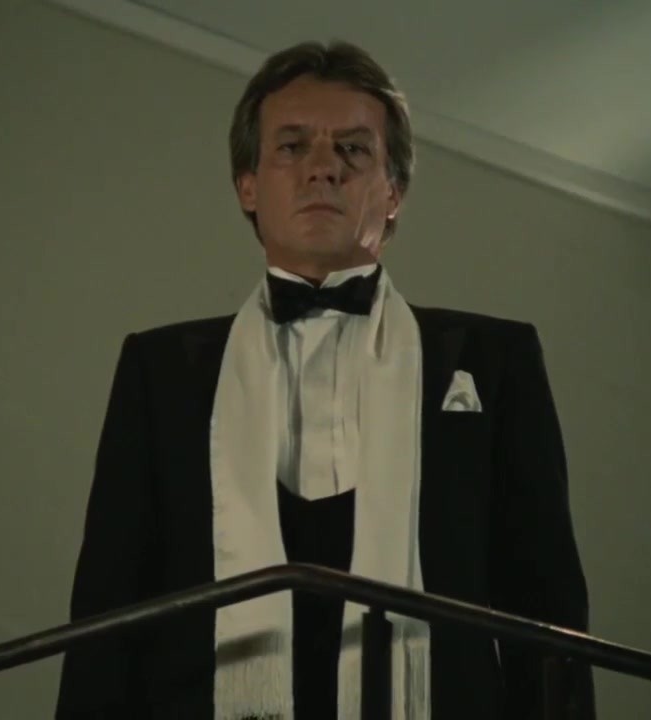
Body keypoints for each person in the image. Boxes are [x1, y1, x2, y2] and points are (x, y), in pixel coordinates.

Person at [55, 40, 594, 719]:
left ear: (393, 192)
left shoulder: (495, 360)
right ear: (248, 185)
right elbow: (107, 615)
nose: (322, 168)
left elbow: (546, 609)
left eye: (353, 149)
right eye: (292, 146)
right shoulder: (159, 371)